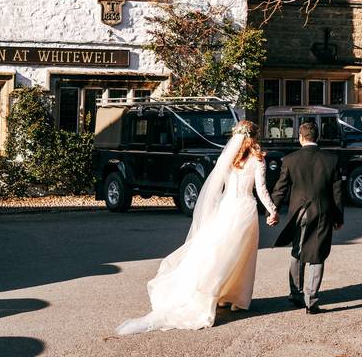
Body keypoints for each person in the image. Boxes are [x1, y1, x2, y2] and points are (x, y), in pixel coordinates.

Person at [117, 120, 278, 334]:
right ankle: (235, 299)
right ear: (254, 137)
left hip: (226, 208)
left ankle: (220, 295)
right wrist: (272, 210)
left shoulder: (229, 160)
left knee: (219, 253)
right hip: (244, 209)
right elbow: (261, 189)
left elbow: (216, 186)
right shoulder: (257, 161)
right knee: (240, 256)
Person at [270, 121, 344, 314]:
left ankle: (295, 294)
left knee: (298, 250)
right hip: (322, 212)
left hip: (298, 212)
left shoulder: (290, 159)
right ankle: (311, 300)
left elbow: (280, 188)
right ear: (317, 137)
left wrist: (273, 210)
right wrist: (338, 217)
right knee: (317, 254)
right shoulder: (331, 160)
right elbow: (337, 193)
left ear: (300, 137)